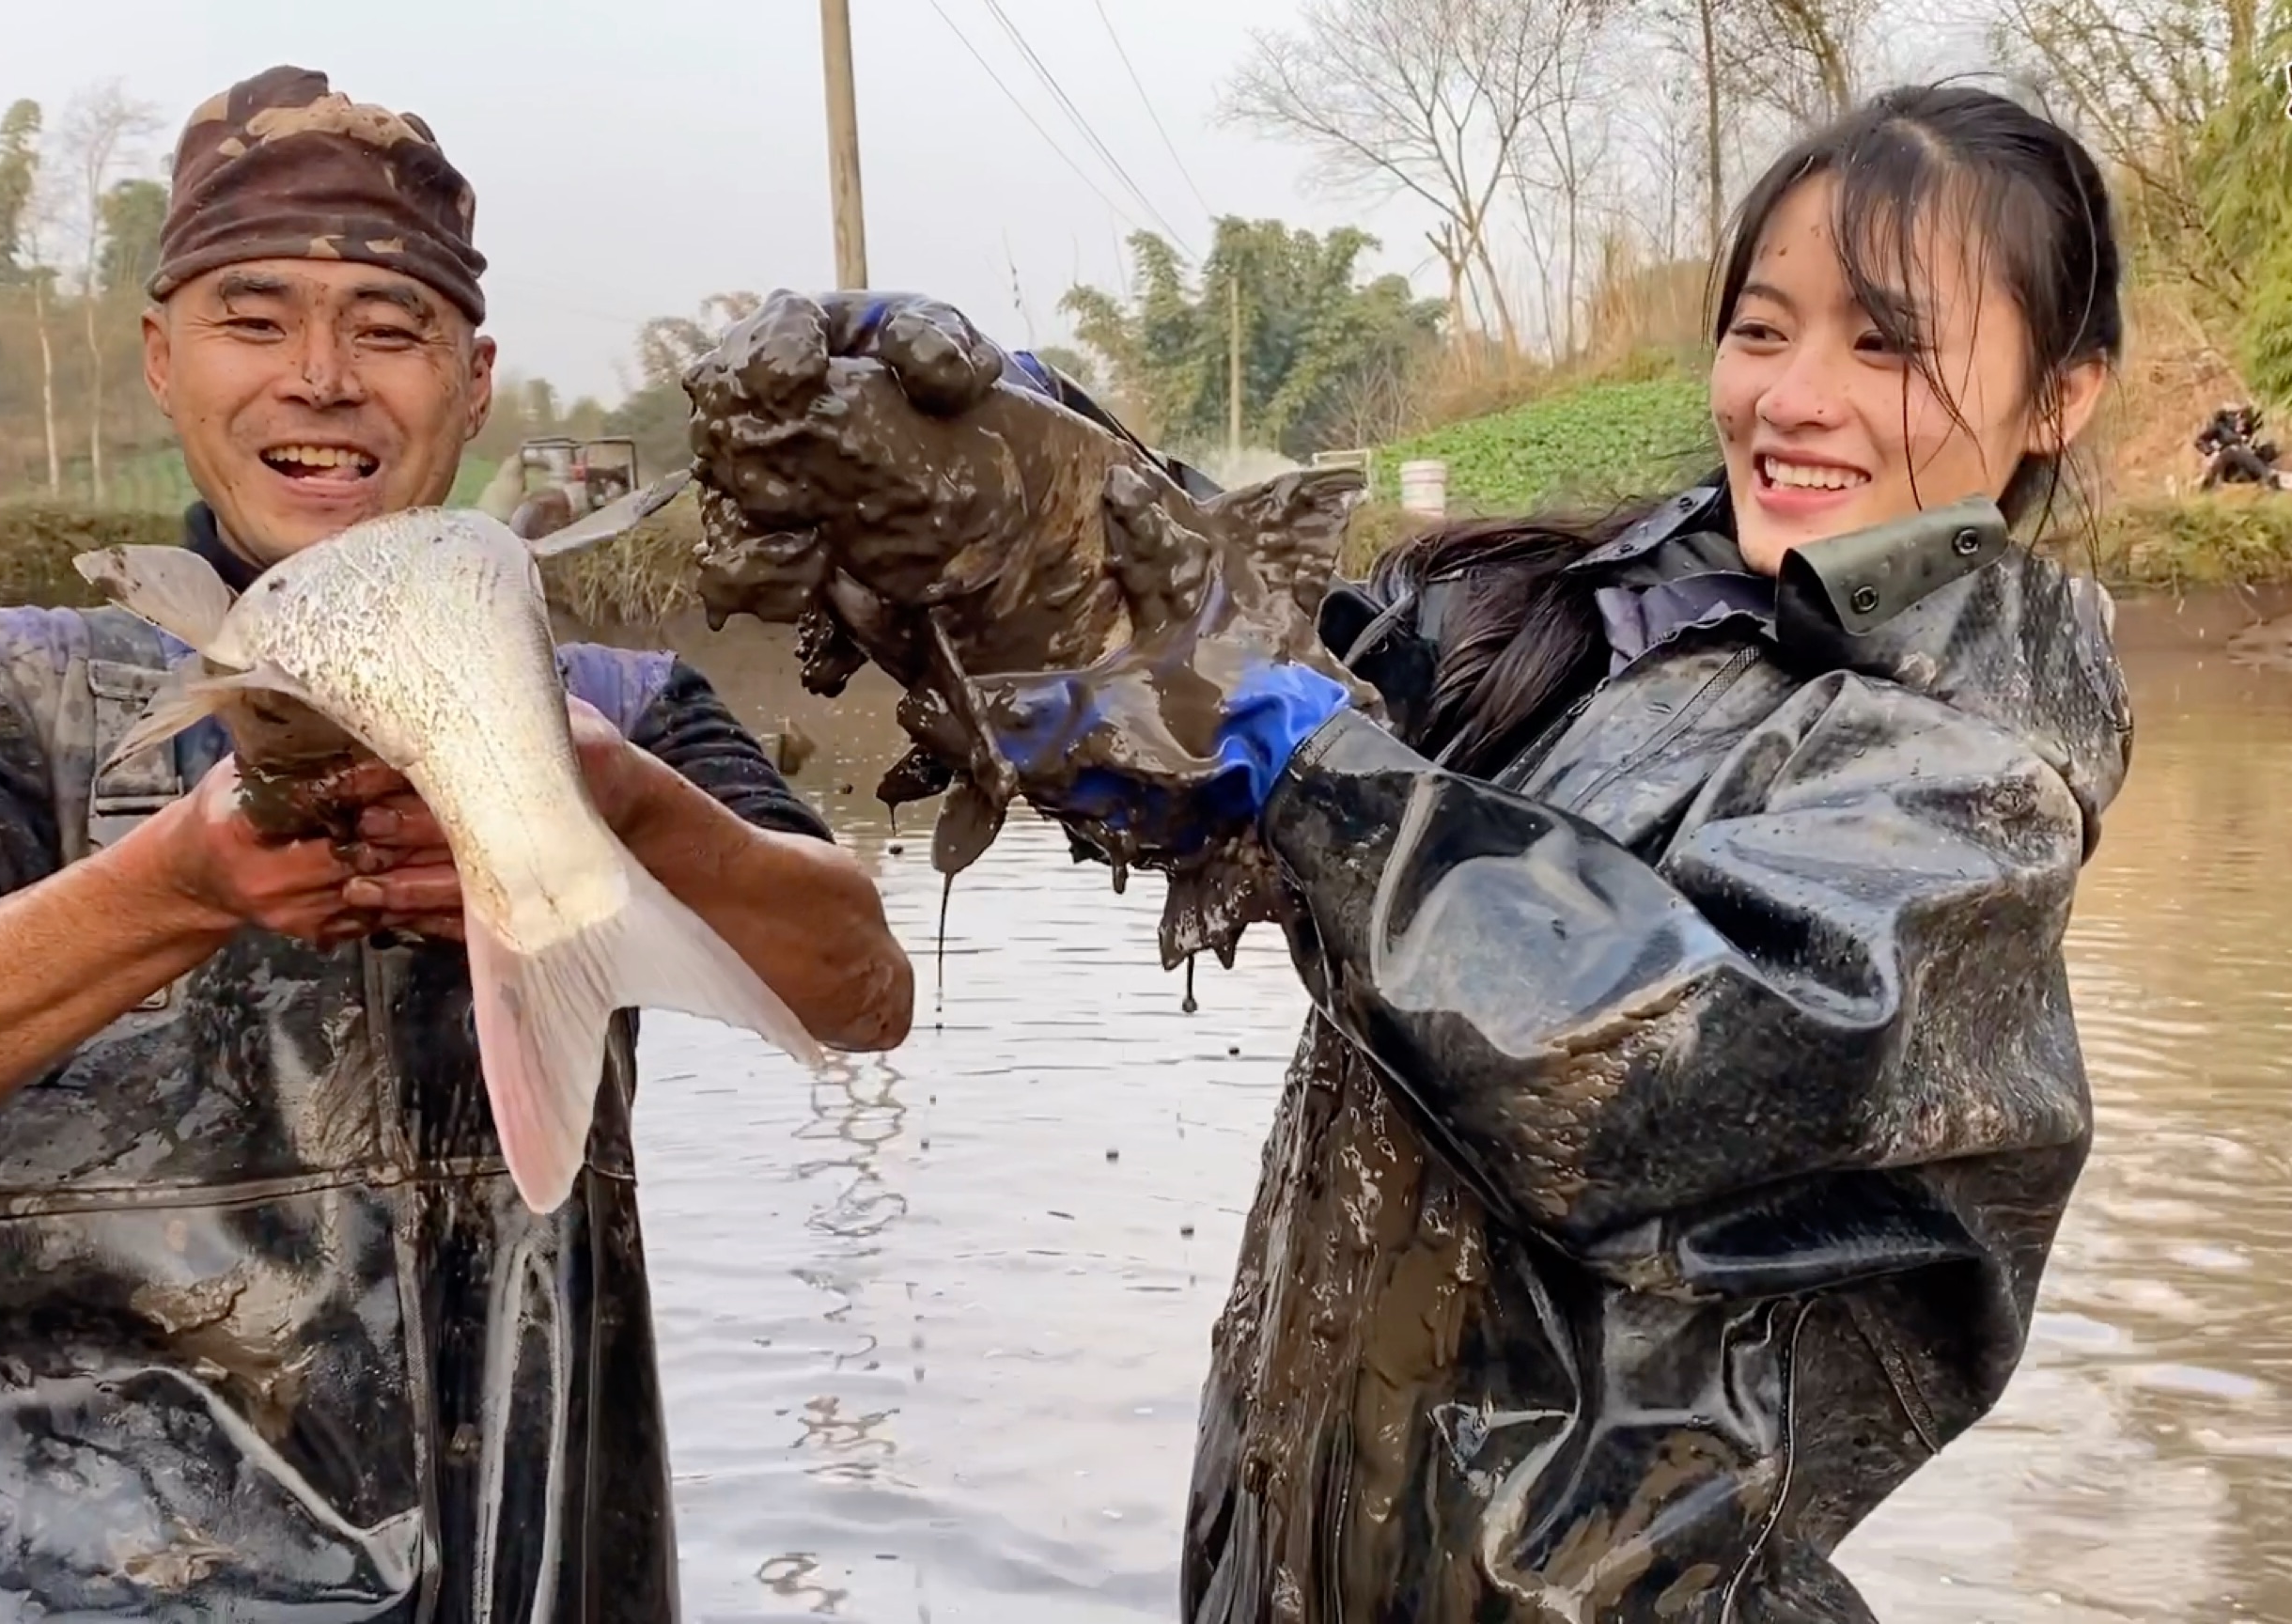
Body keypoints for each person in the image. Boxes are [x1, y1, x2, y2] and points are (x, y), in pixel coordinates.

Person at [687, 83, 2135, 1621]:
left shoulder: (1972, 775)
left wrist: (1312, 770)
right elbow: (1277, 659)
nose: (1790, 396)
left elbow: (1664, 1074)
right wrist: (1035, 471)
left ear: (2060, 396)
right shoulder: (1599, 622)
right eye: (1761, 329)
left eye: (1885, 343)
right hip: (1296, 1550)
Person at [0, 65, 913, 1621]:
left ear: (474, 377)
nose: (320, 375)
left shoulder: (622, 707)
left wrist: (620, 808)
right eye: (254, 317)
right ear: (163, 359)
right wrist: (166, 888)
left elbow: (861, 989)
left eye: (388, 326)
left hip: (540, 1567)